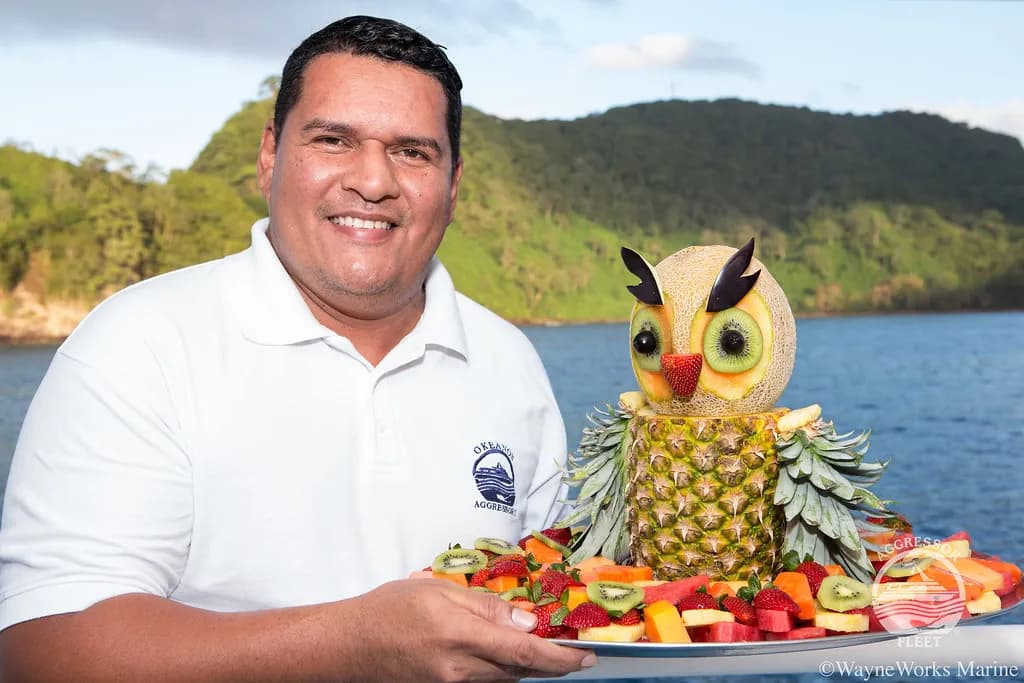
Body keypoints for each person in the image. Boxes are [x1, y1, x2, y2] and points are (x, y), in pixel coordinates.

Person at [0, 16, 595, 682]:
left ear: (453, 185)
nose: (373, 181)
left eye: (413, 152)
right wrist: (352, 643)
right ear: (269, 156)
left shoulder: (508, 359)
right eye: (334, 139)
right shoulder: (141, 344)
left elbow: (556, 588)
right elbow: (38, 647)